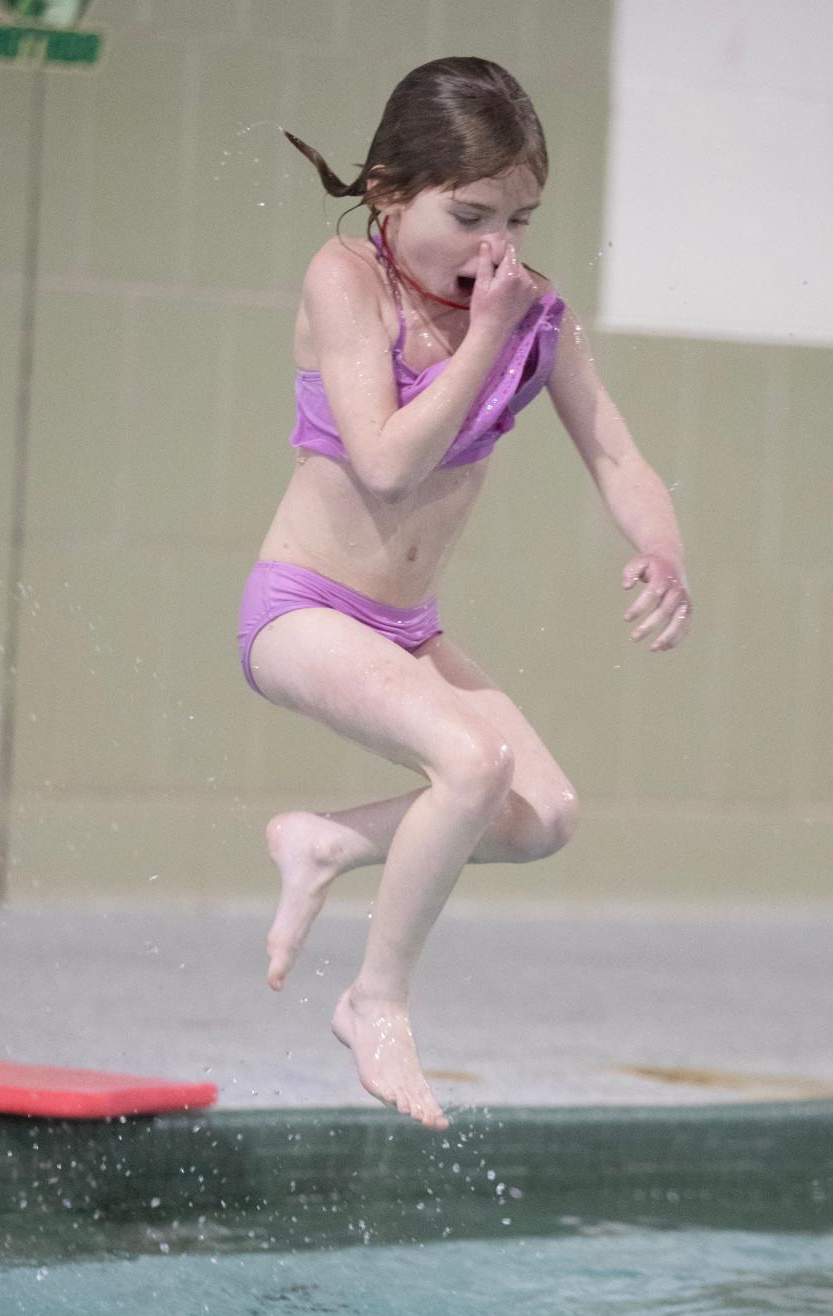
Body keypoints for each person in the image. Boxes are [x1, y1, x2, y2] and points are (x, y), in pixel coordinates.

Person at [237, 57, 692, 1133]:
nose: (498, 248)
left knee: (544, 818)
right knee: (473, 763)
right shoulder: (346, 279)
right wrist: (487, 337)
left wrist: (664, 552)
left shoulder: (535, 315)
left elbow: (619, 457)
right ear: (390, 190)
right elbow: (388, 465)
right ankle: (376, 998)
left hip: (406, 627)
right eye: (471, 213)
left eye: (522, 220)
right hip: (301, 608)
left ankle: (330, 841)